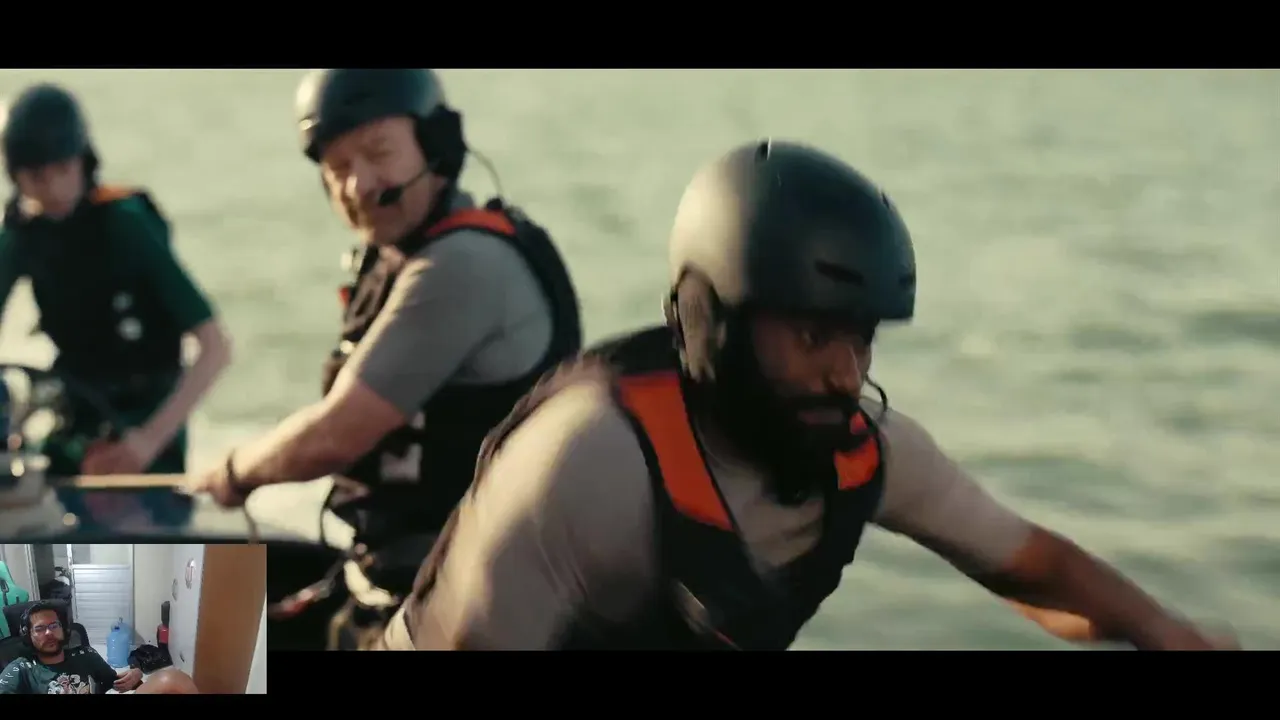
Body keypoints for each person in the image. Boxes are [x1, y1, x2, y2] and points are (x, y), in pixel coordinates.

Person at [376, 139, 1239, 651]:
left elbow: (1032, 568)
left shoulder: (864, 450)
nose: (845, 372)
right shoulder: (593, 462)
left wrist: (1164, 632)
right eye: (813, 336)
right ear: (712, 319)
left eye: (861, 338)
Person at [190, 69, 583, 649]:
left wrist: (234, 472)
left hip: (462, 607)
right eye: (337, 167)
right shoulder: (399, 257)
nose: (358, 185)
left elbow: (337, 434)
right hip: (400, 578)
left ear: (437, 147)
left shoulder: (462, 266)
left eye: (379, 154)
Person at [0, 83, 233, 528]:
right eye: (36, 177)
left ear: (83, 160)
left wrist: (145, 442)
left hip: (149, 423)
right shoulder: (18, 236)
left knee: (137, 541)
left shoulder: (125, 222)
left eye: (62, 169)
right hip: (77, 419)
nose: (53, 188)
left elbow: (215, 347)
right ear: (16, 177)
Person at [0, 601, 200, 694]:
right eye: (39, 629)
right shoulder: (21, 668)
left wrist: (136, 675)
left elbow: (118, 683)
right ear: (28, 635)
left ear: (64, 629)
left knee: (173, 679)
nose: (48, 633)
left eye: (54, 626)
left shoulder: (85, 654)